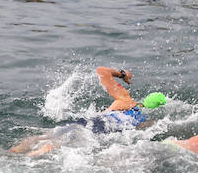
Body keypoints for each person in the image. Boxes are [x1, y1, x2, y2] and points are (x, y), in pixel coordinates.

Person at [10, 66, 167, 156]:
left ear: (144, 99)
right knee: (54, 146)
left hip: (87, 122)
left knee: (41, 137)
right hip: (99, 132)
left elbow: (101, 71)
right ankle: (25, 161)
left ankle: (10, 153)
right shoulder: (145, 123)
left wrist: (122, 74)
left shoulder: (124, 100)